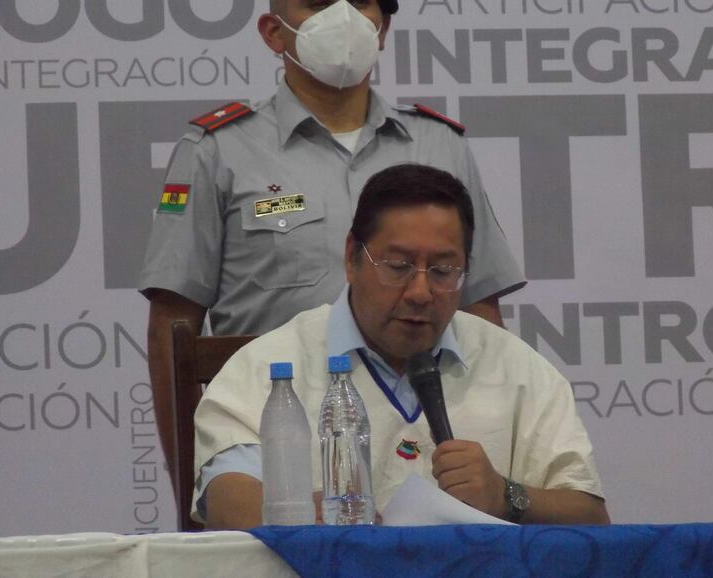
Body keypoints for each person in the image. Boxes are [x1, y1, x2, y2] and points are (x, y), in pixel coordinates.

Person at [138, 0, 525, 482]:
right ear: (272, 33)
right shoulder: (217, 150)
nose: (341, 16)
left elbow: (479, 312)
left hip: (424, 444)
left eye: (360, 1)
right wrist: (195, 488)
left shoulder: (440, 145)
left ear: (382, 29)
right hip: (275, 443)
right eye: (318, 2)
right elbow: (171, 329)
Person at [194, 164, 609, 528]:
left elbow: (591, 518)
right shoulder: (269, 365)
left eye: (444, 270)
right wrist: (298, 515)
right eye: (398, 266)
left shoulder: (519, 369)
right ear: (351, 257)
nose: (421, 291)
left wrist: (508, 495)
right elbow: (226, 498)